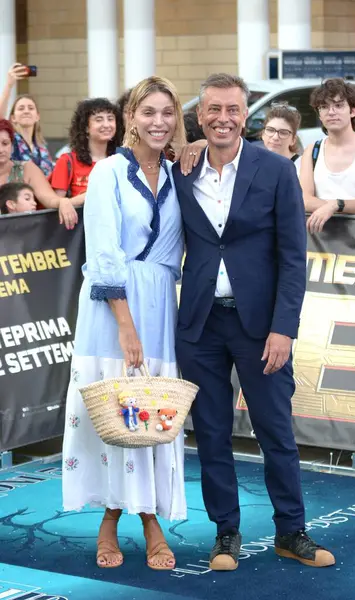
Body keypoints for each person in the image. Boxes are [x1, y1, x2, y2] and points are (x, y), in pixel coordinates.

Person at [173, 73, 335, 570]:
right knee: (213, 433)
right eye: (213, 110)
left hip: (261, 327)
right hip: (200, 325)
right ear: (200, 116)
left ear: (248, 116)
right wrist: (186, 147)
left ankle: (292, 531)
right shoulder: (182, 168)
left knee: (275, 433)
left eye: (233, 110)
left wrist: (284, 328)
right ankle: (226, 533)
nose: (223, 118)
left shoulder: (276, 169)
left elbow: (293, 256)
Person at [62, 76, 187, 571]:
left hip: (161, 305)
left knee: (153, 414)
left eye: (168, 113)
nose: (159, 122)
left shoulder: (181, 172)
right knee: (114, 415)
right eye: (149, 112)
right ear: (131, 116)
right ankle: (113, 520)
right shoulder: (109, 171)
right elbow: (104, 249)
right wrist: (125, 323)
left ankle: (149, 515)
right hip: (114, 309)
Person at [300, 78, 355, 233]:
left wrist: (337, 205)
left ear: (353, 111)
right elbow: (305, 199)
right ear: (319, 115)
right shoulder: (312, 150)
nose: (331, 112)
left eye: (339, 105)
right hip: (320, 241)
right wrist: (331, 207)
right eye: (324, 107)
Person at [0, 118, 79, 228]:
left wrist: (63, 202)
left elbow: (49, 198)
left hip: (22, 238)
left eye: (5, 143)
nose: (1, 149)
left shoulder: (27, 168)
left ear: (12, 146)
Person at [51, 98, 122, 200]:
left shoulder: (121, 161)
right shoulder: (67, 161)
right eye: (99, 120)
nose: (106, 125)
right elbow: (59, 206)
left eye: (110, 119)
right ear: (86, 127)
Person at [0, 64, 54, 177]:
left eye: (30, 108)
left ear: (37, 116)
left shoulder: (42, 149)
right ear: (13, 118)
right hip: (14, 192)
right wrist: (9, 85)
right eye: (21, 108)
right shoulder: (9, 140)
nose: (26, 111)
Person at [261, 103, 302, 172]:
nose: (275, 137)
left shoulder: (302, 167)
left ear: (293, 140)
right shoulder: (256, 163)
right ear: (263, 134)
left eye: (283, 132)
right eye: (270, 130)